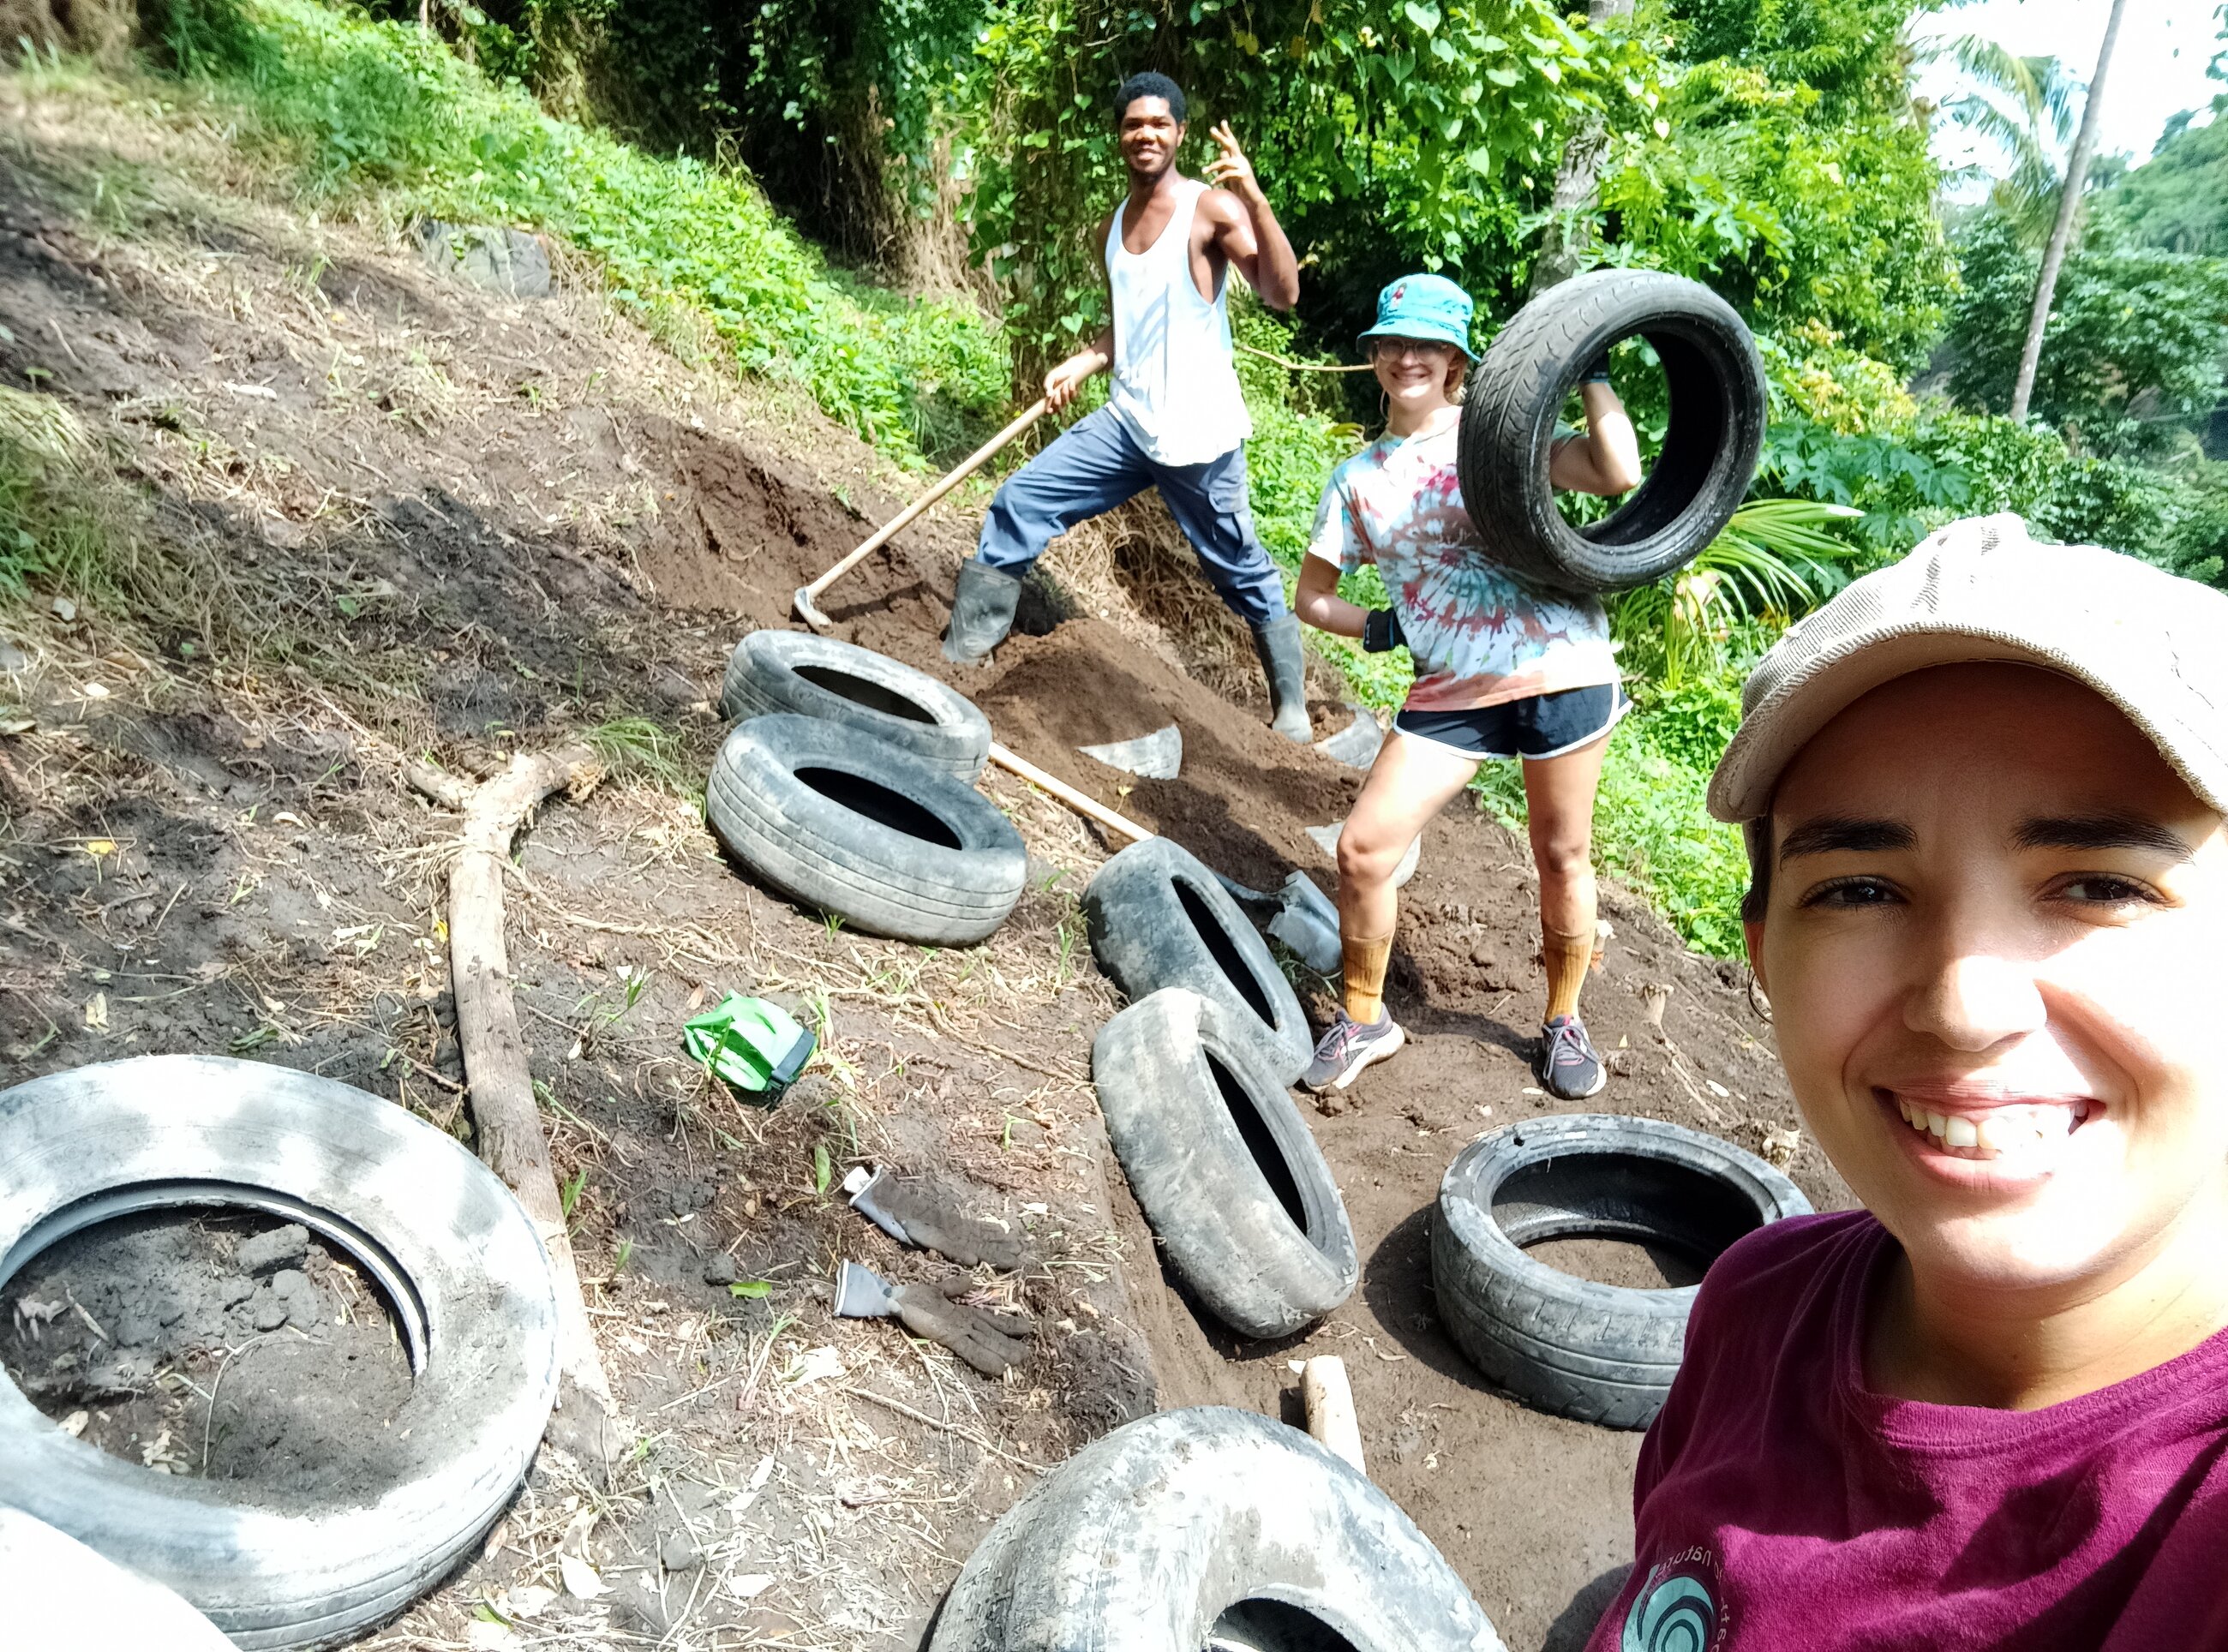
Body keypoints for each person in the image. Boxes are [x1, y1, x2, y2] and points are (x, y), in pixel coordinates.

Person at [1588, 514, 2228, 1649]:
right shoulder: (1759, 1300)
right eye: (1860, 890)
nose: (1963, 1007)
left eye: (2098, 884)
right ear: (1763, 952)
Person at [1293, 272, 1642, 1098]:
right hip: (1449, 686)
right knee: (1364, 849)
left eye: (1428, 344)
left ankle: (1563, 1019)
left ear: (1456, 358)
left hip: (1559, 665)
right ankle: (1367, 1018)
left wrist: (1591, 362)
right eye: (1393, 342)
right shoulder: (1357, 479)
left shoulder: (1498, 438)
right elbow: (1311, 596)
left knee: (1562, 855)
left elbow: (1617, 471)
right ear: (1375, 354)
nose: (1408, 358)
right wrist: (1379, 626)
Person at [942, 73, 1315, 741]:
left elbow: (1282, 292)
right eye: (1133, 124)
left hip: (1199, 438)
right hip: (1127, 425)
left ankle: (1290, 707)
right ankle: (963, 657)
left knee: (1242, 570)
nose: (1145, 134)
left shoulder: (1212, 211)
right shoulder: (1110, 227)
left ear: (1179, 133)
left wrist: (1254, 197)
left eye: (1159, 124)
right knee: (1022, 500)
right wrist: (1086, 360)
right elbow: (1130, 326)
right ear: (1120, 136)